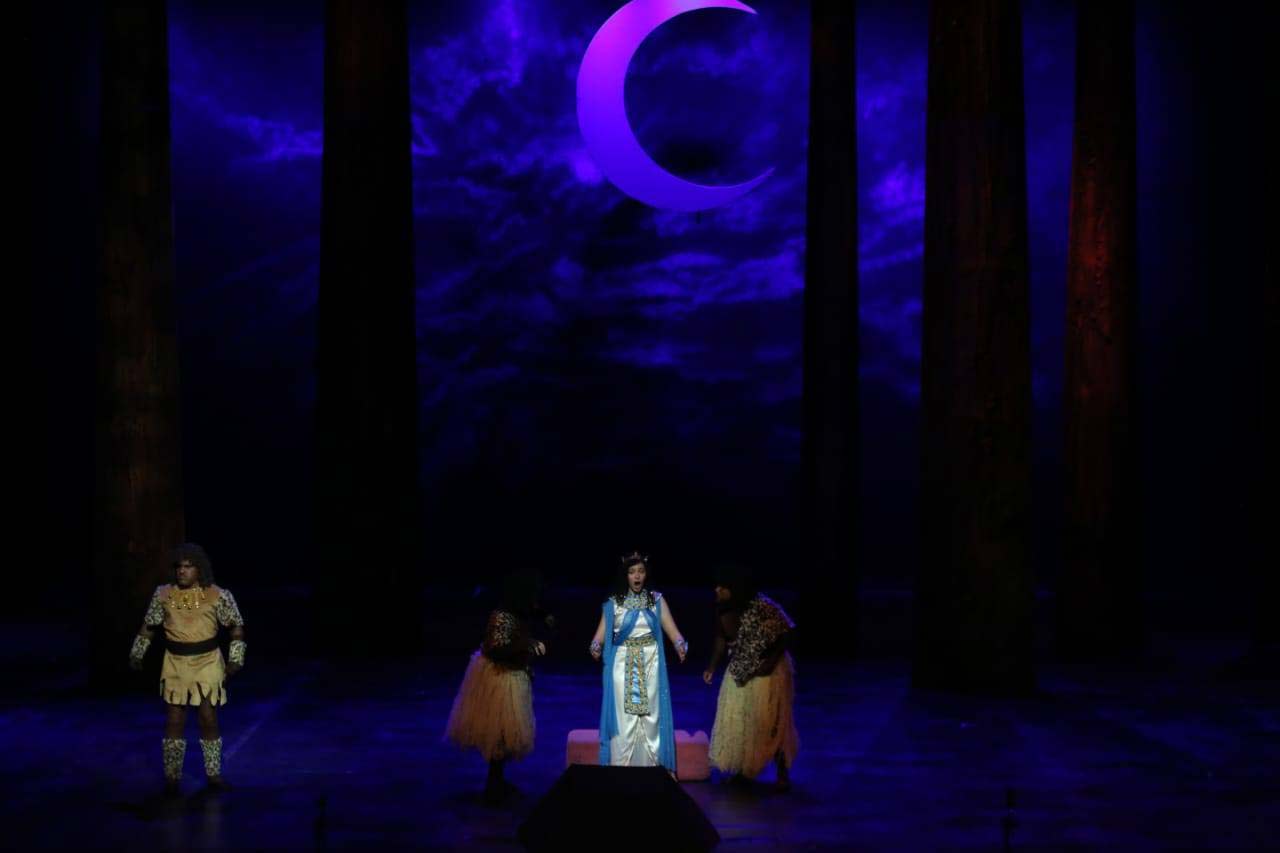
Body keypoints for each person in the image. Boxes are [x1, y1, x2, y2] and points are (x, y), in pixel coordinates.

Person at [129, 543, 246, 794]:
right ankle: (172, 779)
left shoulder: (217, 594)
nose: (182, 571)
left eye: (189, 566)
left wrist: (236, 658)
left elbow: (235, 626)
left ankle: (214, 776)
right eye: (179, 566)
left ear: (199, 569)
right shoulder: (163, 594)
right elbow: (149, 626)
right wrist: (137, 653)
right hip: (175, 663)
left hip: (207, 662)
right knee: (174, 719)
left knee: (208, 717)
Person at [444, 569, 549, 802]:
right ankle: (493, 785)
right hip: (499, 678)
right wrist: (528, 646)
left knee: (504, 733)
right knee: (499, 731)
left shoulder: (518, 613)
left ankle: (497, 780)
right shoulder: (502, 615)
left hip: (511, 674)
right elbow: (496, 648)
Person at [589, 552, 688, 774]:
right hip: (622, 667)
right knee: (624, 720)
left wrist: (680, 645)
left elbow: (674, 633)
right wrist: (594, 647)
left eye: (641, 571)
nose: (637, 576)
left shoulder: (656, 600)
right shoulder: (614, 603)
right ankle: (621, 771)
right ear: (625, 575)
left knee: (651, 718)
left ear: (646, 574)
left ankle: (653, 771)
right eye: (632, 572)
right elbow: (598, 638)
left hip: (651, 665)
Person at [703, 563, 798, 790]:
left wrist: (769, 664)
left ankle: (782, 772)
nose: (717, 590)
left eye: (722, 586)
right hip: (741, 666)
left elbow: (786, 632)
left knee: (771, 720)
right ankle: (743, 770)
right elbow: (721, 638)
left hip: (769, 668)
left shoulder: (762, 606)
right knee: (739, 719)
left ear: (735, 588)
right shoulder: (722, 608)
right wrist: (712, 667)